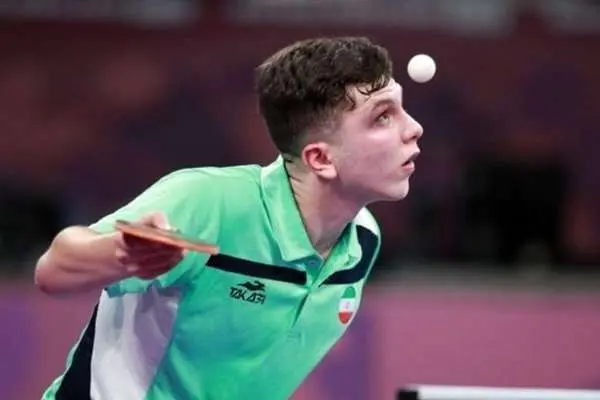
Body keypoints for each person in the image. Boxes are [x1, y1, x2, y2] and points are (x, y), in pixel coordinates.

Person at [35, 36, 423, 400]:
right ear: (320, 158)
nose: (414, 128)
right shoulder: (209, 202)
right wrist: (121, 254)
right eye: (382, 117)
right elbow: (53, 270)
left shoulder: (361, 241)